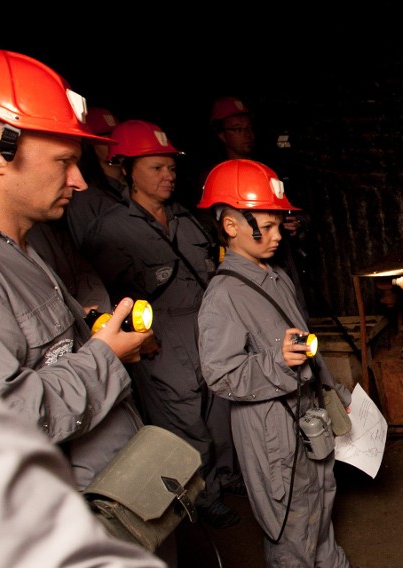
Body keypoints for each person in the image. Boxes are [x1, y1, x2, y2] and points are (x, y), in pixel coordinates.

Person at [0, 45, 159, 525]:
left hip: (116, 501)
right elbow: (8, 420)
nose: (80, 181)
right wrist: (106, 358)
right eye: (64, 161)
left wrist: (100, 335)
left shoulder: (15, 245)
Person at [80, 119, 242, 531]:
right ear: (128, 169)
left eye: (171, 168)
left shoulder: (187, 220)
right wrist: (139, 341)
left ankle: (227, 476)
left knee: (220, 410)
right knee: (184, 418)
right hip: (160, 336)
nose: (169, 175)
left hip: (204, 327)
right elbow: (107, 298)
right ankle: (204, 496)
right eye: (156, 168)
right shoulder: (112, 230)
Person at [196, 159, 355, 567]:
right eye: (265, 227)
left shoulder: (276, 276)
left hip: (308, 414)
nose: (277, 235)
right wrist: (276, 362)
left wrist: (335, 394)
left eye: (277, 224)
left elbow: (306, 345)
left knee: (321, 507)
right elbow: (220, 375)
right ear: (231, 226)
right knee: (290, 524)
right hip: (271, 432)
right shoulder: (223, 296)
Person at [201, 95, 312, 320]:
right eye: (238, 129)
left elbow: (303, 208)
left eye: (249, 128)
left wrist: (297, 223)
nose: (247, 135)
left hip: (281, 263)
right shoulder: (216, 181)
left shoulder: (269, 170)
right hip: (246, 272)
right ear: (221, 134)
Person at [65, 106, 128, 251]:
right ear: (89, 145)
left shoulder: (138, 185)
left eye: (116, 135)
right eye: (105, 137)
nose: (114, 142)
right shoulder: (85, 198)